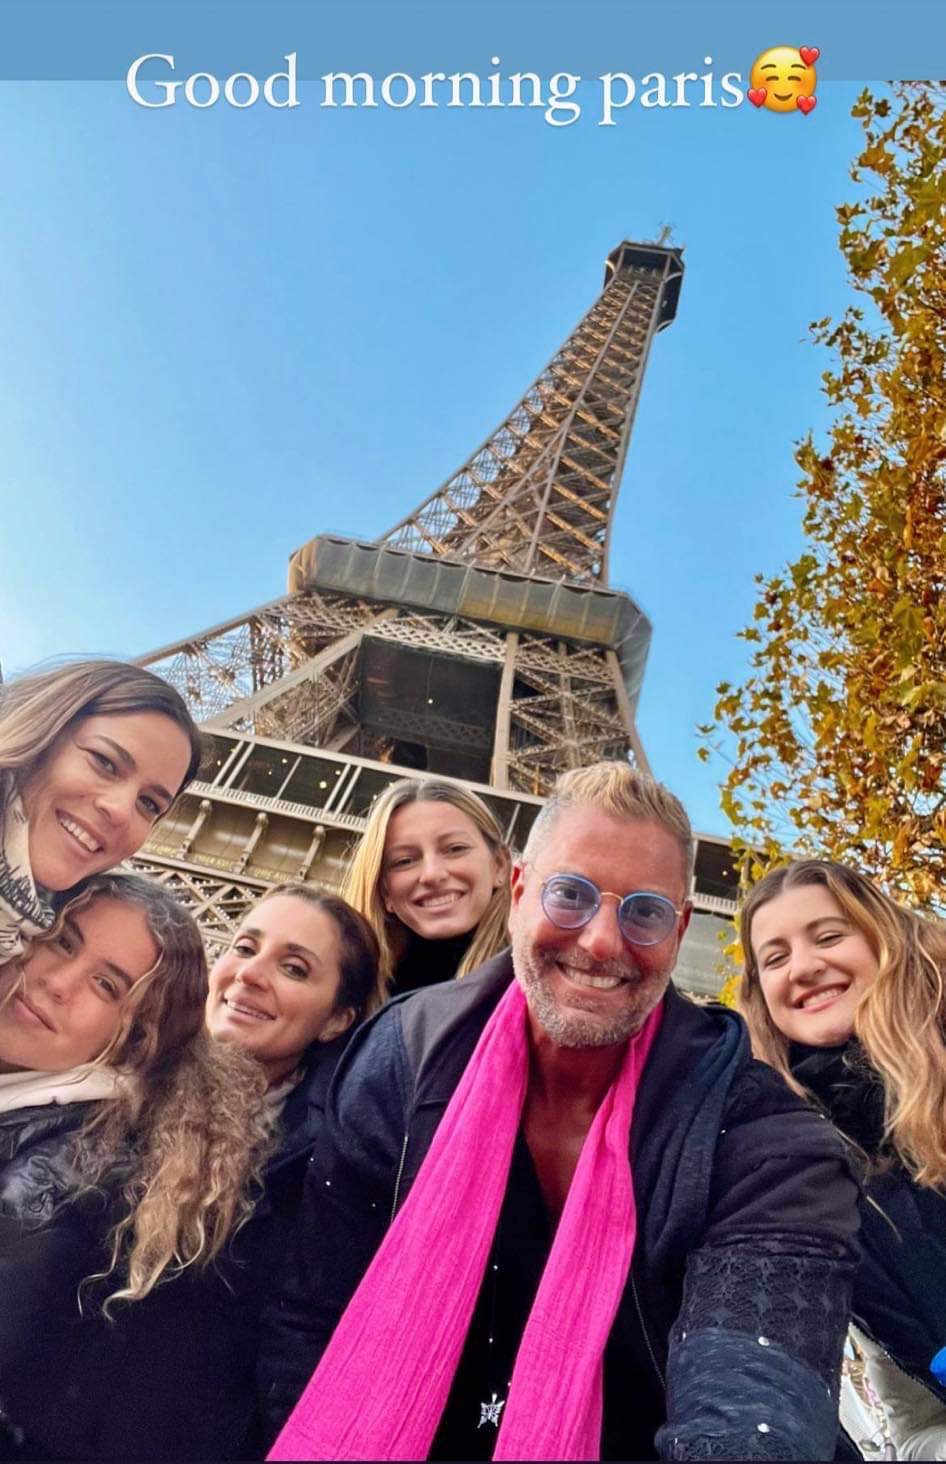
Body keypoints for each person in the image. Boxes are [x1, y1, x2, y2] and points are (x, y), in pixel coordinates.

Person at [261, 762, 861, 1462]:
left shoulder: (766, 1139)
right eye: (569, 894)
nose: (602, 941)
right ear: (518, 892)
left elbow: (752, 1401)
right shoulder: (399, 1056)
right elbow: (311, 1314)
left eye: (645, 912)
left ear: (680, 930)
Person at [0, 871, 270, 1462]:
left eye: (106, 985)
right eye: (63, 941)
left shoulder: (58, 1191)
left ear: (135, 1042)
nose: (55, 982)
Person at [740, 859, 946, 1460]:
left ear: (883, 939)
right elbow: (918, 1422)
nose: (803, 967)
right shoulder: (801, 1169)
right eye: (775, 958)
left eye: (828, 936)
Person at [0, 659, 203, 962]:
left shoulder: (22, 959)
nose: (120, 810)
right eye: (104, 762)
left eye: (149, 804)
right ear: (38, 731)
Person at [342, 777, 510, 996]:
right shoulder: (351, 992)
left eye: (455, 849)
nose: (432, 874)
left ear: (499, 866)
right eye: (404, 861)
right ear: (384, 893)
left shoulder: (534, 989)